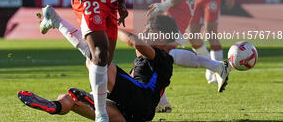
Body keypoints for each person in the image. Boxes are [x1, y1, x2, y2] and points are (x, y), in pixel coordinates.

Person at [19, 13, 230, 121]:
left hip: (141, 99)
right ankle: (55, 106)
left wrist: (109, 26)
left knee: (98, 60)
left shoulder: (164, 58)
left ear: (163, 37)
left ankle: (58, 22)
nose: (146, 34)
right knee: (72, 98)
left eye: (150, 31)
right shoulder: (154, 60)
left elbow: (133, 41)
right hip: (131, 115)